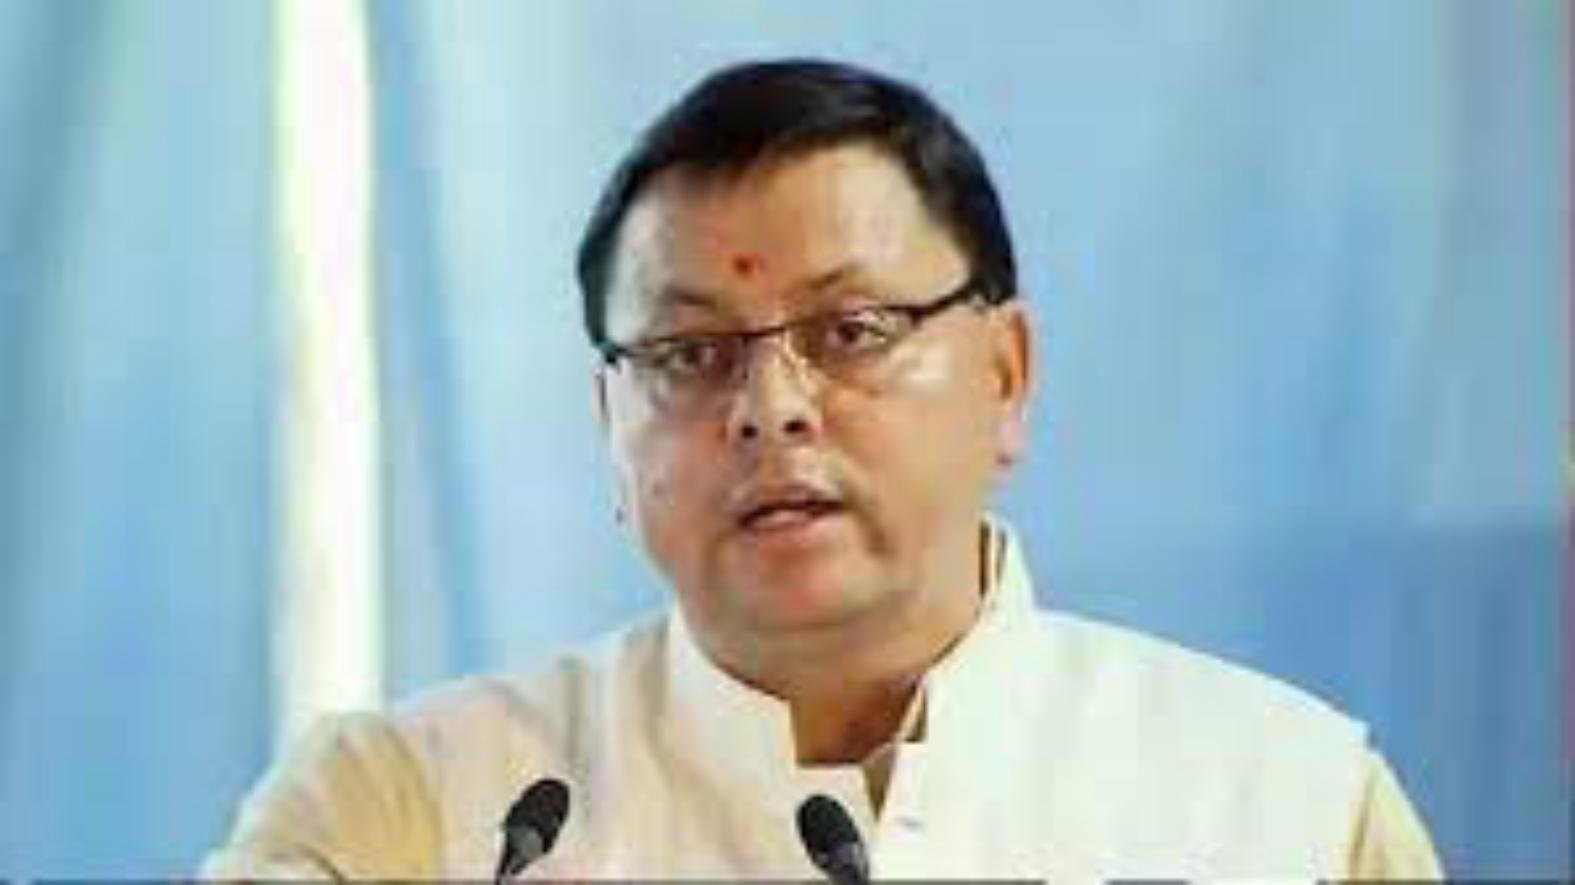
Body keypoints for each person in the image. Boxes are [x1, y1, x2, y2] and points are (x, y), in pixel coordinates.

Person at [203, 58, 1442, 880]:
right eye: (689, 354)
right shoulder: (410, 814)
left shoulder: (1288, 808)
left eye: (851, 332)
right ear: (609, 427)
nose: (769, 409)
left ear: (1006, 375)